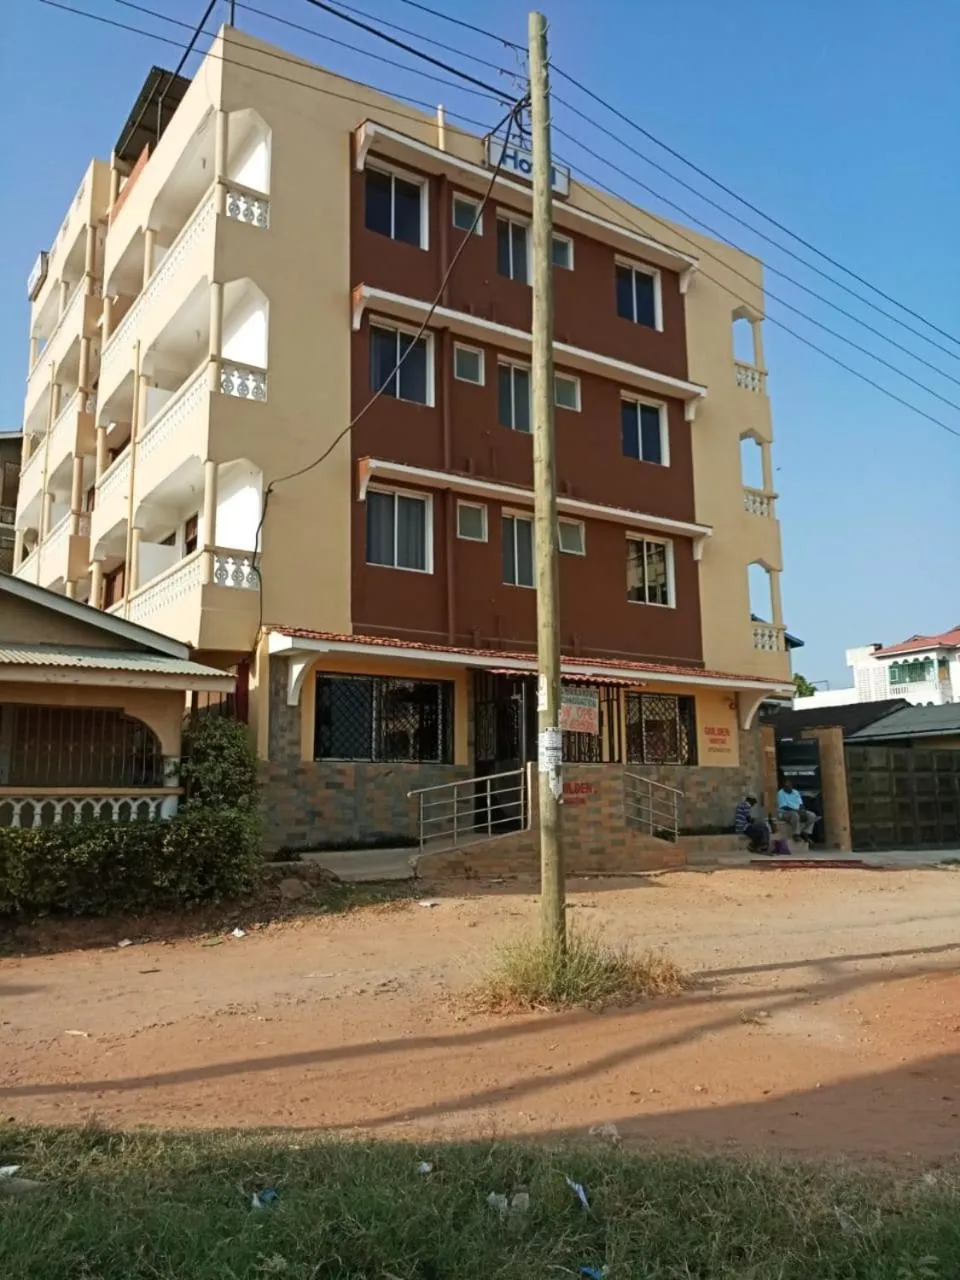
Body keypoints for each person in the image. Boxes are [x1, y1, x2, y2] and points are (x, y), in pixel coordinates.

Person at [776, 780, 817, 844]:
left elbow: (801, 803)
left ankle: (805, 832)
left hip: (798, 810)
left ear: (791, 786)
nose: (787, 788)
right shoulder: (780, 793)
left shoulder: (796, 792)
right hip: (786, 812)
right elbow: (784, 807)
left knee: (812, 815)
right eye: (785, 787)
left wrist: (802, 810)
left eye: (789, 786)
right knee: (795, 815)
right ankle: (796, 834)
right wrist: (797, 811)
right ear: (783, 787)